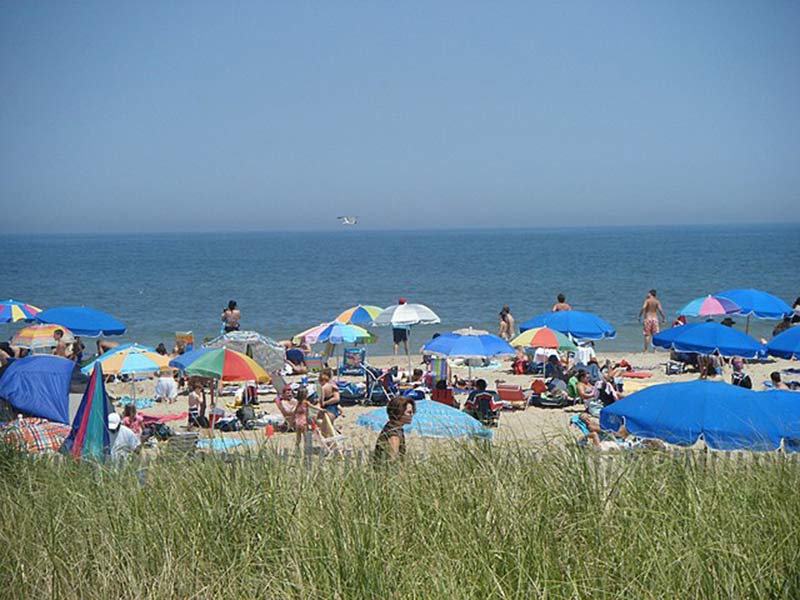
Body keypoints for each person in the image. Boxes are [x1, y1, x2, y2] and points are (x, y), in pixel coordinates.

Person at [373, 395, 416, 463]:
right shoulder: (393, 434)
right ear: (399, 412)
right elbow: (392, 461)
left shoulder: (393, 427)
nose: (412, 415)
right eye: (409, 412)